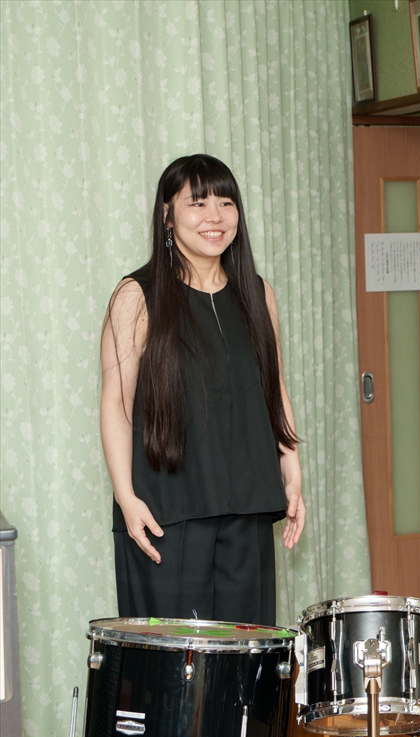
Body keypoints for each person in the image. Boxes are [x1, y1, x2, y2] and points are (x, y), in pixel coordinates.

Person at [100, 154, 305, 626]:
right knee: (175, 664)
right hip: (166, 512)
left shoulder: (257, 293)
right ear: (167, 216)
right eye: (198, 203)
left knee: (245, 657)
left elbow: (273, 388)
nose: (215, 216)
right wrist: (126, 498)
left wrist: (292, 473)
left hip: (249, 507)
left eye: (225, 203)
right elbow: (115, 403)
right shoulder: (137, 295)